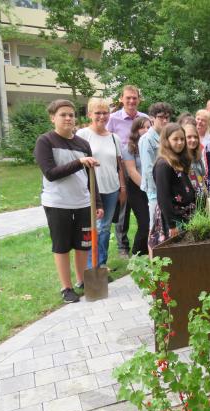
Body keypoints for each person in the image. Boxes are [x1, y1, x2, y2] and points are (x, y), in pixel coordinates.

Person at [34, 99, 103, 303]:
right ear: (52, 117)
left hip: (82, 202)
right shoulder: (45, 141)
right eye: (63, 114)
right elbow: (51, 173)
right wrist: (78, 162)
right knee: (62, 245)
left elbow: (91, 177)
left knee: (82, 245)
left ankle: (82, 280)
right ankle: (66, 287)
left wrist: (97, 202)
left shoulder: (83, 144)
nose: (68, 118)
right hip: (57, 203)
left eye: (71, 115)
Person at [76, 97, 126, 270]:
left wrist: (122, 187)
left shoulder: (114, 138)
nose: (102, 116)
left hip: (111, 188)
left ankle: (101, 264)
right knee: (93, 228)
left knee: (104, 228)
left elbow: (119, 165)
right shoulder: (83, 135)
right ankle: (91, 266)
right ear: (90, 114)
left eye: (105, 113)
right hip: (91, 190)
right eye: (98, 112)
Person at [106, 85, 150, 258]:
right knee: (124, 208)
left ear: (139, 99)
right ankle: (122, 246)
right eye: (128, 98)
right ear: (121, 99)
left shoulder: (145, 118)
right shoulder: (113, 119)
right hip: (121, 169)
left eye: (134, 98)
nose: (131, 101)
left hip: (140, 168)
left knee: (143, 207)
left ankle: (146, 242)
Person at [149, 123, 197, 251]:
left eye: (182, 139)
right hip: (172, 217)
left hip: (185, 215)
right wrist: (171, 225)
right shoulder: (163, 164)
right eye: (175, 139)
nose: (180, 142)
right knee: (171, 254)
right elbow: (163, 197)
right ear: (166, 141)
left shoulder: (180, 160)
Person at [139, 102, 173, 229]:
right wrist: (160, 191)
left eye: (167, 117)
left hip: (167, 187)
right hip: (155, 189)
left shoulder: (167, 137)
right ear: (152, 118)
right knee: (155, 226)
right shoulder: (146, 139)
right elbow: (148, 169)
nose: (165, 120)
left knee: (167, 225)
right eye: (161, 117)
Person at [122, 116, 152, 256]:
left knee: (153, 223)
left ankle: (149, 253)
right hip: (137, 189)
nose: (147, 130)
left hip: (152, 188)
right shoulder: (129, 148)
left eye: (149, 127)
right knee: (145, 223)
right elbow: (132, 171)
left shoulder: (153, 144)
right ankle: (137, 255)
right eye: (143, 127)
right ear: (136, 129)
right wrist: (147, 187)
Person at [183, 123, 209, 206]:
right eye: (189, 137)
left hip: (201, 199)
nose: (193, 140)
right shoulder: (180, 160)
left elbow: (202, 179)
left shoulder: (198, 157)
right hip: (188, 202)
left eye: (195, 137)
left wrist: (207, 197)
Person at [195, 109, 210, 189]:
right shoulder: (188, 135)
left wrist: (209, 183)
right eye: (198, 119)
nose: (199, 122)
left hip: (203, 178)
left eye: (203, 120)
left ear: (208, 124)